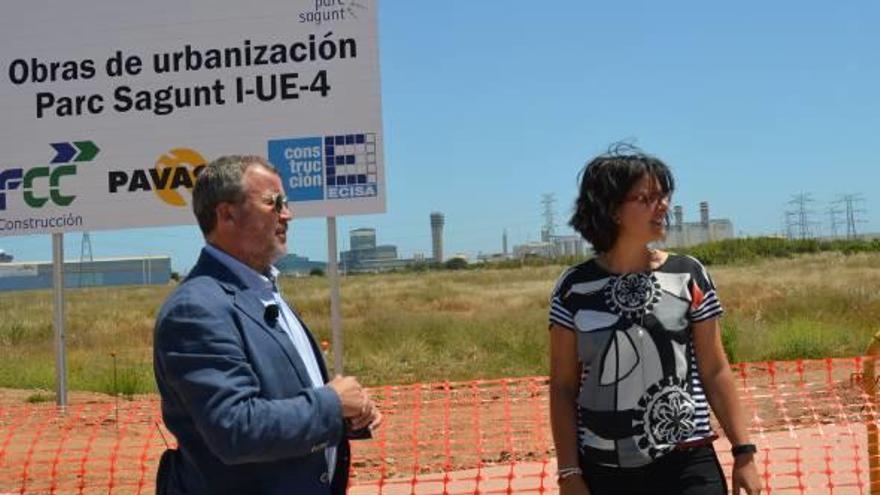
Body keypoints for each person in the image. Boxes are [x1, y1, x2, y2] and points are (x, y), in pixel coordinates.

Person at [153, 155, 380, 495]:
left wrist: (346, 414)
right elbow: (235, 428)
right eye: (273, 203)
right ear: (226, 214)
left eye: (285, 204)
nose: (286, 214)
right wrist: (331, 404)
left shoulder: (262, 292)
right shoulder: (196, 310)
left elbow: (283, 398)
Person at [548, 145, 761, 495]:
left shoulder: (688, 275)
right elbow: (563, 386)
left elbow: (715, 370)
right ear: (612, 209)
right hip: (603, 470)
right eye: (646, 198)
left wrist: (744, 453)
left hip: (687, 461)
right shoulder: (574, 288)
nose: (662, 206)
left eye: (663, 196)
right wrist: (569, 473)